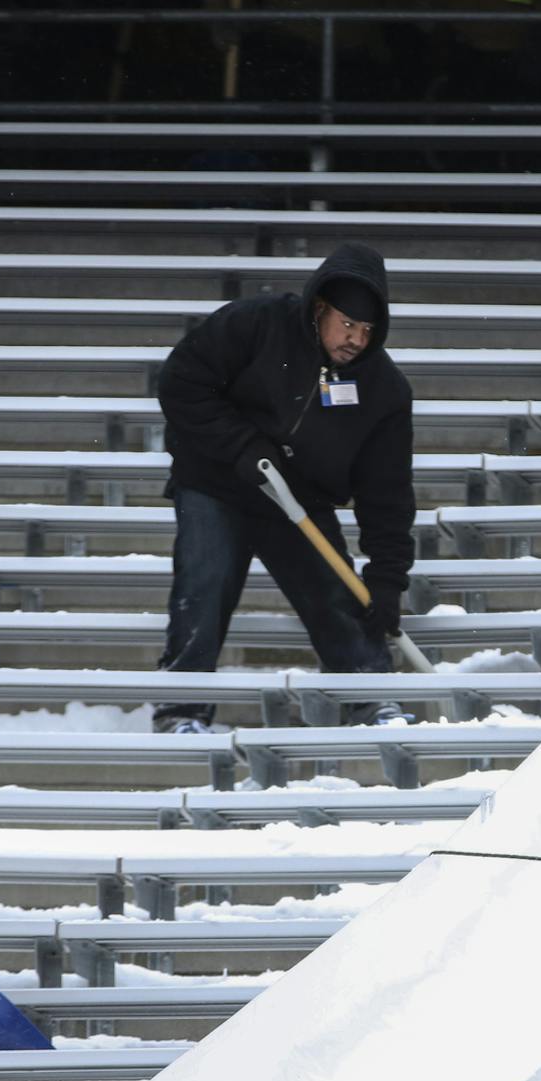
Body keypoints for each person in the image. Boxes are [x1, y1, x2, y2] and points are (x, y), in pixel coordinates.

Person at [150, 243, 416, 733]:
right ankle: (181, 710)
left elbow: (388, 492)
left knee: (338, 595)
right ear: (319, 310)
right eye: (347, 325)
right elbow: (181, 382)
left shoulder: (383, 390)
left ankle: (371, 697)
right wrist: (242, 447)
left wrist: (387, 576)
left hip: (300, 501)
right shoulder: (255, 324)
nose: (356, 340)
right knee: (202, 586)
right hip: (216, 484)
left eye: (367, 330)